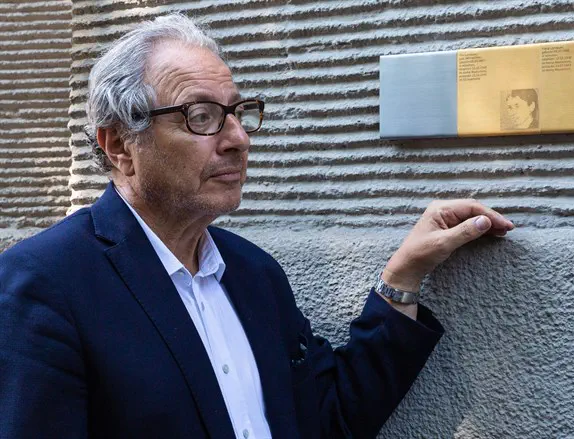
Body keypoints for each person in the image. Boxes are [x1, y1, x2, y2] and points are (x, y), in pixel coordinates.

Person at [0, 13, 514, 439]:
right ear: (118, 145)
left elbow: (328, 422)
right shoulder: (44, 282)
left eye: (239, 113)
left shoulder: (252, 273)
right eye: (201, 116)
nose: (238, 139)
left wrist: (402, 277)